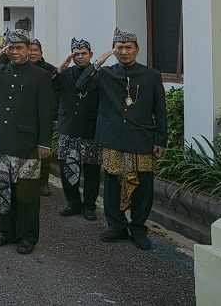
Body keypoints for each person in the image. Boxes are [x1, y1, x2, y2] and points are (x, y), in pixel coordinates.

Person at [76, 28, 167, 250]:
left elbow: (160, 110)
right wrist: (97, 63)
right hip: (112, 139)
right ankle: (115, 226)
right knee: (112, 186)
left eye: (128, 47)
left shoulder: (151, 75)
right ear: (113, 50)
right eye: (119, 48)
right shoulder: (105, 74)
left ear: (137, 50)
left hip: (140, 139)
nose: (124, 52)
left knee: (142, 187)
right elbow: (81, 86)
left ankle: (137, 229)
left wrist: (160, 140)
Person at [0, 29, 54, 255]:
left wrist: (44, 143)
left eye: (20, 48)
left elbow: (46, 112)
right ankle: (6, 232)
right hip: (1, 140)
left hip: (27, 144)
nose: (15, 52)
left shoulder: (40, 76)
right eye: (10, 47)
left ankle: (27, 237)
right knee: (3, 188)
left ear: (29, 49)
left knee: (27, 194)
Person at [53, 37, 101, 221]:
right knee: (68, 168)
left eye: (83, 54)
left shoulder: (98, 74)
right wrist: (61, 67)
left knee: (91, 171)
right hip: (68, 128)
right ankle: (73, 203)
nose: (80, 57)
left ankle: (89, 206)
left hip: (90, 128)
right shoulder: (66, 73)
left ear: (91, 55)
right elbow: (50, 84)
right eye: (76, 54)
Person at [28, 39, 57, 197]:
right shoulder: (21, 69)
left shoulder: (49, 71)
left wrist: (55, 116)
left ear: (41, 53)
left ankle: (43, 183)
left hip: (44, 117)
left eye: (35, 50)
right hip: (26, 117)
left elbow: (56, 95)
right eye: (30, 50)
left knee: (44, 151)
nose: (32, 53)